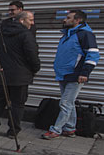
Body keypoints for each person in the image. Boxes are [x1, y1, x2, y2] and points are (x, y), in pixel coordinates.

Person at [42, 9, 100, 139]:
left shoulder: (85, 35)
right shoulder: (68, 34)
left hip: (76, 75)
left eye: (68, 18)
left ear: (77, 20)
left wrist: (85, 73)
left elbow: (93, 55)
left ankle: (56, 130)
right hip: (64, 74)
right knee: (69, 103)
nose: (64, 20)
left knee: (65, 103)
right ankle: (69, 128)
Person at [0, 11, 39, 137]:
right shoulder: (26, 35)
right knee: (18, 104)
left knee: (0, 101)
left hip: (3, 72)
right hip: (20, 75)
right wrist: (35, 68)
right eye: (30, 20)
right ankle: (13, 130)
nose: (32, 23)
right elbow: (32, 55)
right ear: (22, 20)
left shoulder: (2, 33)